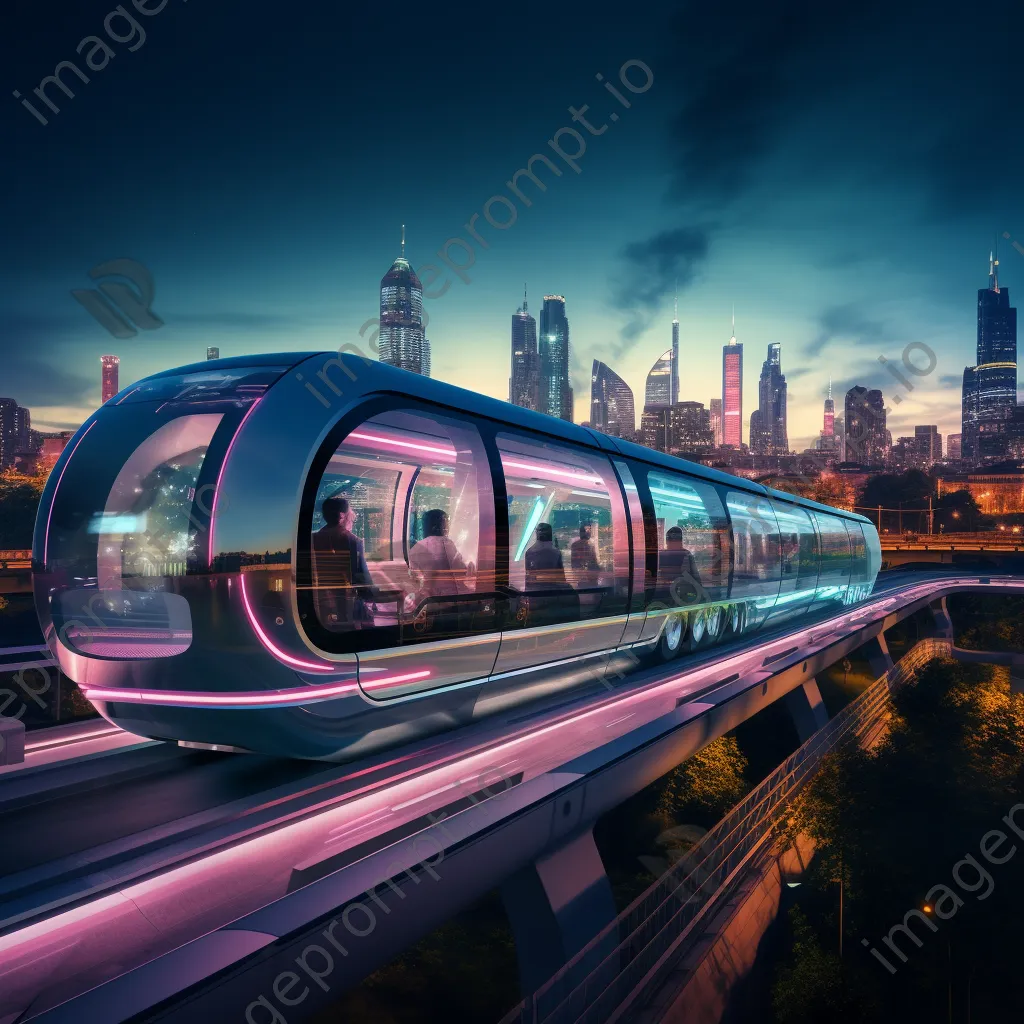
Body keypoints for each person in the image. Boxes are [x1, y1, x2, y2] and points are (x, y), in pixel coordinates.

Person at [311, 495, 374, 628]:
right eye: (350, 511)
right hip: (345, 604)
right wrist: (373, 594)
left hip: (318, 603)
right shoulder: (353, 541)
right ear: (342, 515)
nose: (353, 515)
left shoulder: (313, 539)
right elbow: (362, 579)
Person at [409, 509, 471, 599]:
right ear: (438, 526)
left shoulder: (416, 548)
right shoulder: (448, 543)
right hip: (454, 597)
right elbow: (461, 570)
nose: (447, 528)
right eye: (445, 524)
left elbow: (415, 579)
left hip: (429, 600)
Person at [523, 522, 578, 625]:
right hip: (552, 597)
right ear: (550, 534)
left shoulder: (529, 552)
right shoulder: (555, 552)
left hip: (536, 598)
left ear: (537, 534)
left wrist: (529, 597)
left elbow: (528, 578)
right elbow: (561, 578)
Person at [658, 526, 702, 605]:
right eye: (671, 539)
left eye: (675, 540)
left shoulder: (686, 555)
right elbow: (696, 577)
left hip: (678, 595)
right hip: (668, 594)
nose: (672, 542)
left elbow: (696, 577)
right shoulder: (685, 554)